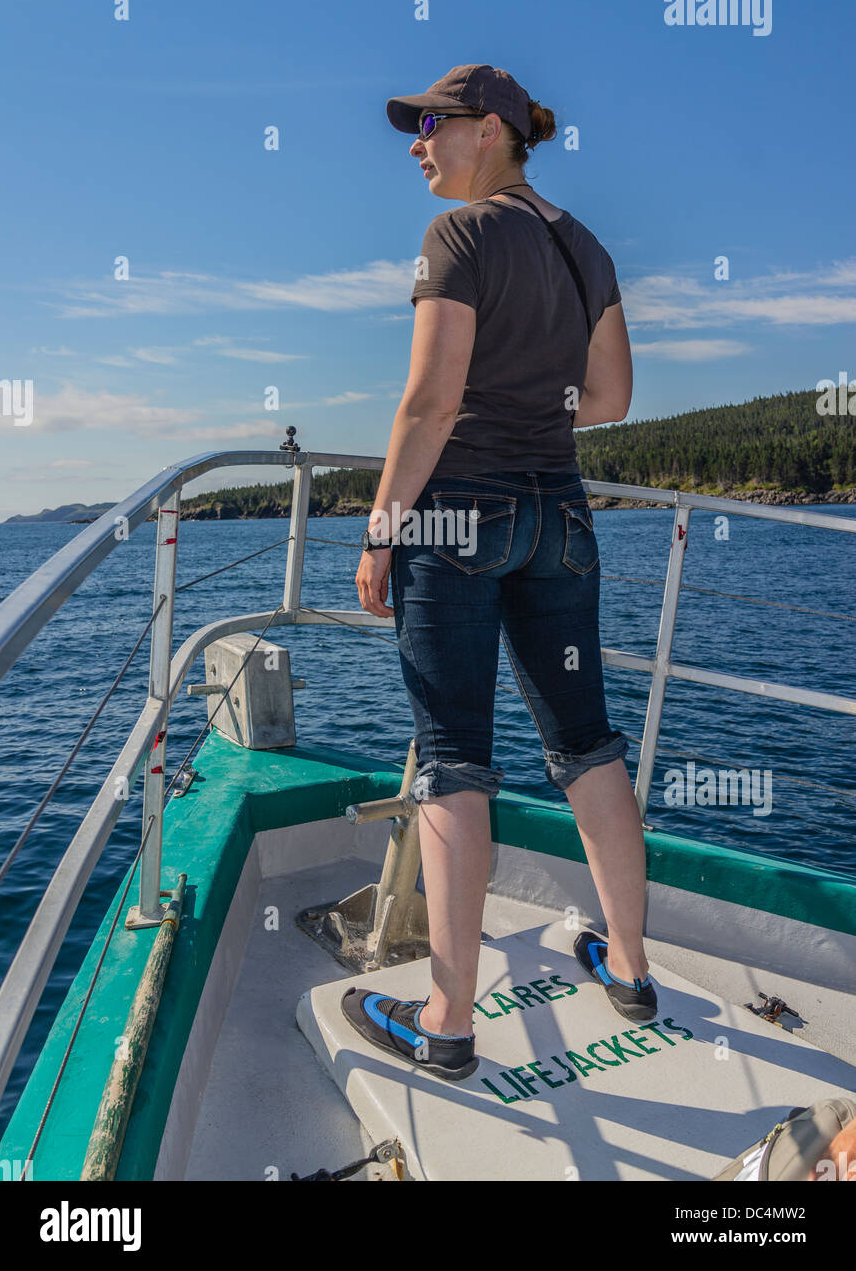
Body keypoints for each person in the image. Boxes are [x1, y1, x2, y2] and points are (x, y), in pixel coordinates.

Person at [341, 64, 655, 1083]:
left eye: (431, 123)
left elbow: (427, 403)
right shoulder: (585, 247)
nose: (414, 142)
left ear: (492, 133)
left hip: (457, 514)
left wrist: (382, 528)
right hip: (557, 516)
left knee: (454, 761)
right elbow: (606, 398)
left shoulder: (460, 236)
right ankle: (632, 968)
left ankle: (444, 1022)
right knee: (587, 745)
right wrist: (534, 398)